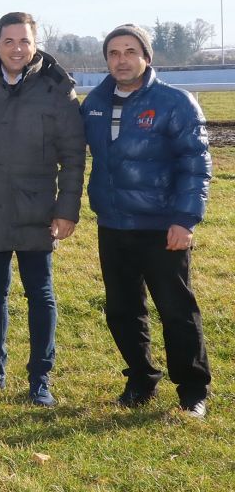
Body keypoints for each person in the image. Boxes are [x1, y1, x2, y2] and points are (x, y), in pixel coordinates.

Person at [0, 12, 85, 407]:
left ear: (35, 43)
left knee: (40, 293)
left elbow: (73, 156)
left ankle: (40, 379)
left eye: (24, 41)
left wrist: (67, 210)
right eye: (9, 41)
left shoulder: (57, 88)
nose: (17, 49)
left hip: (37, 208)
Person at [81, 24, 212, 418]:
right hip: (113, 225)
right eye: (114, 53)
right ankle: (141, 378)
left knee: (175, 309)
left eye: (130, 51)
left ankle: (192, 390)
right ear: (106, 60)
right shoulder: (94, 103)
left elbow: (196, 164)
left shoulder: (176, 102)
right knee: (122, 309)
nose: (122, 59)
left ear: (147, 56)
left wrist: (185, 220)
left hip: (162, 227)